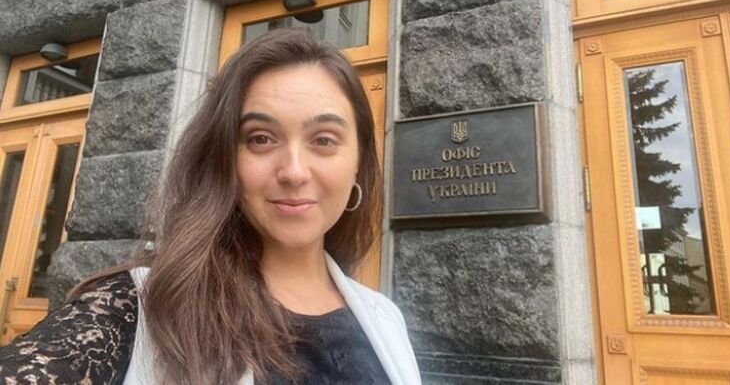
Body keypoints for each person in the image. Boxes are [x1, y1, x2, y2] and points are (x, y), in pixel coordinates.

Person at [0, 28, 421, 385]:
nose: (294, 171)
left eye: (324, 140)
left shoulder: (385, 318)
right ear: (224, 160)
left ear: (358, 163)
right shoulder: (146, 304)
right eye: (260, 138)